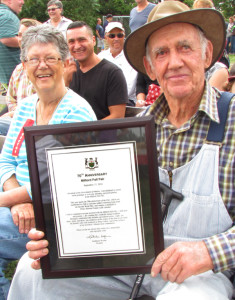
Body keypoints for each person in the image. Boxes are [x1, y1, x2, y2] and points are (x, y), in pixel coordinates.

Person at [7, 2, 235, 300]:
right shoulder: (135, 130)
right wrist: (58, 239)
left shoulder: (230, 120)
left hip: (201, 273)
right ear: (150, 67)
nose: (175, 61)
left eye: (185, 48)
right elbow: (95, 198)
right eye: (162, 53)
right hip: (129, 260)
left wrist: (209, 251)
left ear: (207, 55)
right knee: (31, 270)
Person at [0, 24, 96, 300]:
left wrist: (6, 199)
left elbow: (57, 185)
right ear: (24, 66)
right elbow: (6, 160)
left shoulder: (76, 113)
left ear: (66, 63)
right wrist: (15, 198)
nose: (42, 66)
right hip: (21, 205)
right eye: (33, 59)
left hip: (55, 218)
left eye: (50, 58)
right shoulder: (27, 106)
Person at [64, 21, 128, 120]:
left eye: (82, 40)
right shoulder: (67, 72)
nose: (77, 46)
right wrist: (65, 83)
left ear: (93, 40)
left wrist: (85, 131)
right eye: (71, 41)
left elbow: (118, 116)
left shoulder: (113, 73)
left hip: (102, 135)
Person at [0, 18, 41, 137]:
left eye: (26, 35)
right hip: (17, 119)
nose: (21, 39)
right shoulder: (18, 69)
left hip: (35, 122)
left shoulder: (43, 69)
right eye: (19, 35)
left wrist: (13, 114)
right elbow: (10, 98)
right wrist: (14, 114)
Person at [98, 22, 137, 106]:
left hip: (127, 102)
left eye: (119, 35)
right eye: (112, 36)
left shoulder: (131, 57)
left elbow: (129, 88)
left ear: (124, 36)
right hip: (103, 102)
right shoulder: (100, 57)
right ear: (106, 37)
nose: (116, 38)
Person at [0, 0, 24, 94]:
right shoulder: (7, 15)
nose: (22, 2)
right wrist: (32, 43)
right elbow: (7, 39)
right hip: (15, 76)